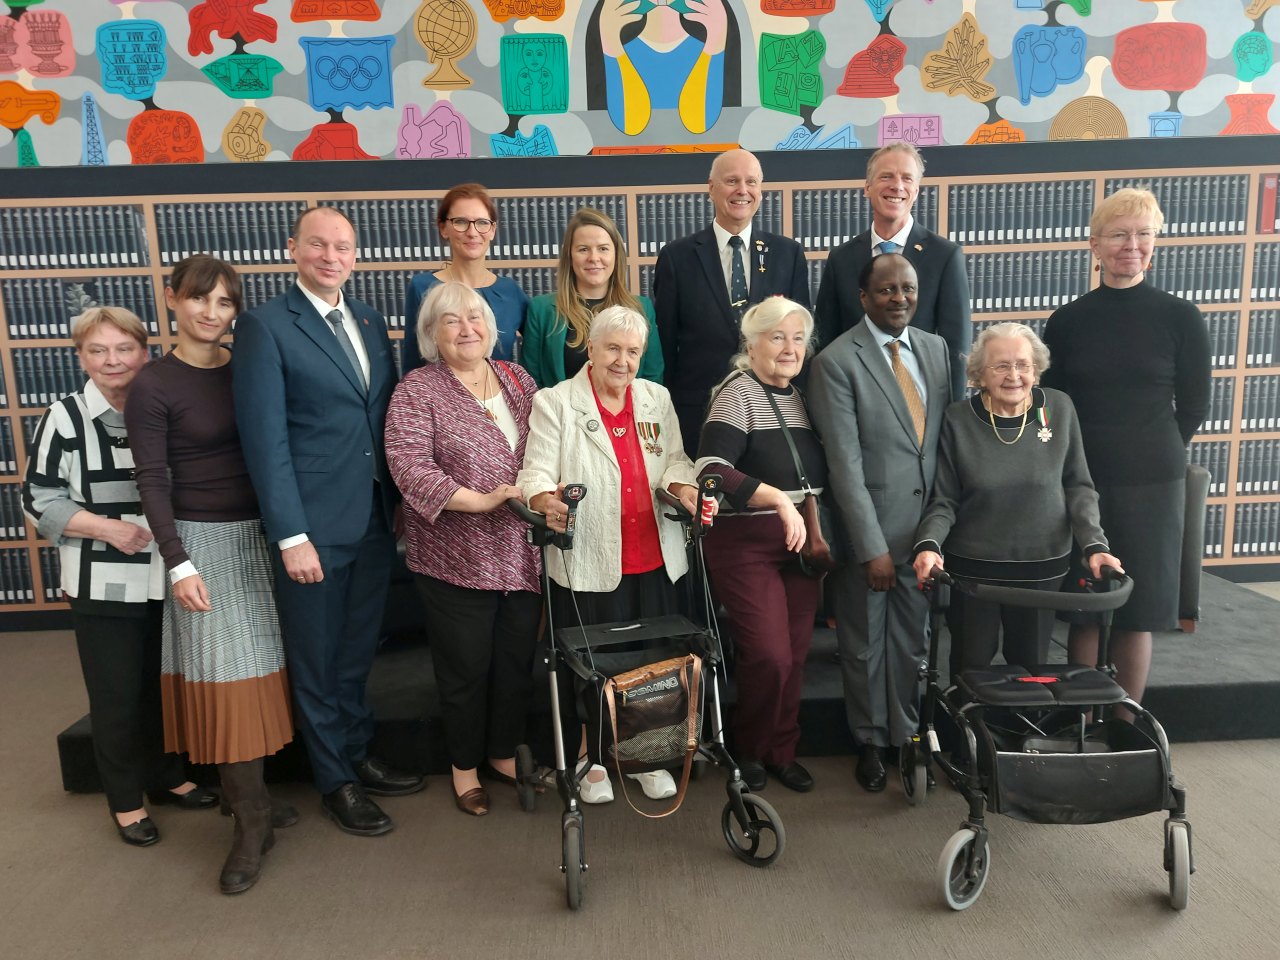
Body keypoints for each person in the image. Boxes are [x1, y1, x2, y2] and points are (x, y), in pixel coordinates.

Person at [233, 206, 423, 838]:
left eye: (342, 246)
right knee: (315, 657)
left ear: (355, 254)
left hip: (371, 517)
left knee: (356, 649)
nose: (331, 256)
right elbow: (265, 442)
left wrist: (398, 501)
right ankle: (334, 779)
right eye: (318, 245)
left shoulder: (368, 320)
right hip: (311, 528)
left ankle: (357, 752)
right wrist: (290, 535)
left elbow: (383, 416)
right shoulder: (264, 326)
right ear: (293, 248)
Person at [125, 255, 296, 893]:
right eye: (200, 299)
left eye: (225, 303)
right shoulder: (154, 384)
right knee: (228, 683)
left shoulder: (246, 365)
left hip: (267, 536)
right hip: (203, 543)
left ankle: (256, 800)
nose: (211, 313)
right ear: (173, 298)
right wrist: (179, 562)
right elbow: (152, 480)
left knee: (265, 676)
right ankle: (251, 824)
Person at [22, 307, 215, 847]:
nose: (113, 361)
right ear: (80, 357)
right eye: (98, 351)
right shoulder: (64, 417)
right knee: (117, 696)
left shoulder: (162, 407)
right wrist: (108, 529)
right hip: (102, 579)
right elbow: (38, 499)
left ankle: (165, 776)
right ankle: (126, 801)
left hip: (169, 574)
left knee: (161, 687)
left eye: (124, 348)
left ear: (144, 352)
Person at [518, 305, 703, 804]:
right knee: (593, 666)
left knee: (652, 664)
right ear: (592, 349)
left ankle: (643, 756)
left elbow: (676, 461)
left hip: (655, 557)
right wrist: (546, 500)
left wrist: (683, 486)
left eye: (633, 351)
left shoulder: (656, 398)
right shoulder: (556, 402)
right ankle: (592, 758)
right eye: (613, 349)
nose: (623, 360)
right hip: (589, 561)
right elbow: (534, 474)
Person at [1042, 188, 1211, 716]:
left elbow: (1195, 405)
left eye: (1142, 234)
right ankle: (1080, 719)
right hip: (1083, 481)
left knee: (1139, 610)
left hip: (1154, 481)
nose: (1131, 245)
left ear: (1154, 243)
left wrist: (1152, 446)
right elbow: (1054, 404)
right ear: (1095, 245)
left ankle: (1123, 723)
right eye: (1118, 235)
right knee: (1086, 605)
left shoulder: (1181, 317)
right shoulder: (1067, 320)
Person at [384, 283, 542, 818]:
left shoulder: (518, 379)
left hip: (523, 552)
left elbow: (547, 449)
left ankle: (502, 754)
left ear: (491, 327)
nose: (466, 329)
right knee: (465, 670)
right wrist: (478, 501)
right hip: (456, 556)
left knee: (514, 664)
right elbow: (408, 466)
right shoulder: (417, 389)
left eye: (475, 318)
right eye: (451, 321)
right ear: (432, 333)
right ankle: (464, 767)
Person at [808, 254, 951, 794]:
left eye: (908, 288)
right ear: (864, 297)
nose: (900, 298)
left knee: (913, 642)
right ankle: (869, 741)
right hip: (869, 536)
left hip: (925, 535)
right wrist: (872, 548)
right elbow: (844, 466)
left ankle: (906, 737)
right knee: (865, 645)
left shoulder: (936, 349)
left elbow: (941, 446)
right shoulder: (836, 361)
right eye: (887, 290)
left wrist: (937, 531)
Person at [911, 323, 1125, 678]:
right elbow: (945, 499)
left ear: (1036, 371)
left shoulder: (1059, 408)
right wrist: (928, 544)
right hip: (973, 573)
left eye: (1023, 365)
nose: (1014, 375)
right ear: (979, 375)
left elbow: (1078, 486)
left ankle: (1022, 719)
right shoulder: (958, 419)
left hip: (1041, 570)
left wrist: (1094, 544)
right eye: (1001, 366)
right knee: (969, 671)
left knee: (1030, 672)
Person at [695, 297, 823, 793]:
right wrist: (779, 501)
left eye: (798, 338)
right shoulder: (737, 392)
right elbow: (711, 470)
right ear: (751, 345)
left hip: (802, 544)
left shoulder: (802, 396)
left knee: (795, 655)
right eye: (777, 337)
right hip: (746, 543)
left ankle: (781, 751)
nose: (790, 348)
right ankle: (748, 748)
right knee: (769, 656)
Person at [654, 148, 811, 456]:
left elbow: (801, 341)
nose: (742, 190)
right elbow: (665, 345)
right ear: (711, 188)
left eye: (751, 182)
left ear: (761, 190)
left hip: (773, 413)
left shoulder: (788, 254)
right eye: (731, 181)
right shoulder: (677, 257)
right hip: (698, 413)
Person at [815, 141, 970, 400]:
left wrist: (953, 413)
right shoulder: (841, 259)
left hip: (921, 401)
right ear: (867, 187)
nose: (897, 186)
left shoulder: (945, 256)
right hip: (855, 399)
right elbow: (826, 340)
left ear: (916, 190)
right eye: (886, 176)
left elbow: (956, 347)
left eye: (907, 178)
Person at [522, 207, 662, 388]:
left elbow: (652, 380)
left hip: (627, 407)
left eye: (603, 248)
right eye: (583, 249)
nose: (594, 258)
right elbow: (530, 383)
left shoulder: (642, 309)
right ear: (570, 256)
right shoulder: (541, 310)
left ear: (616, 254)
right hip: (556, 407)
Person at [402, 183, 529, 373]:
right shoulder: (423, 288)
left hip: (500, 391)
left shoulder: (510, 291)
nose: (472, 232)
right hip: (439, 392)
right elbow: (413, 365)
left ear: (493, 229)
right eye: (461, 222)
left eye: (482, 222)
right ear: (443, 228)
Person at [592, 0, 736, 136]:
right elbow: (629, 125)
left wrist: (715, 43)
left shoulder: (704, 51)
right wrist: (611, 44)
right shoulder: (623, 53)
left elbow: (701, 122)